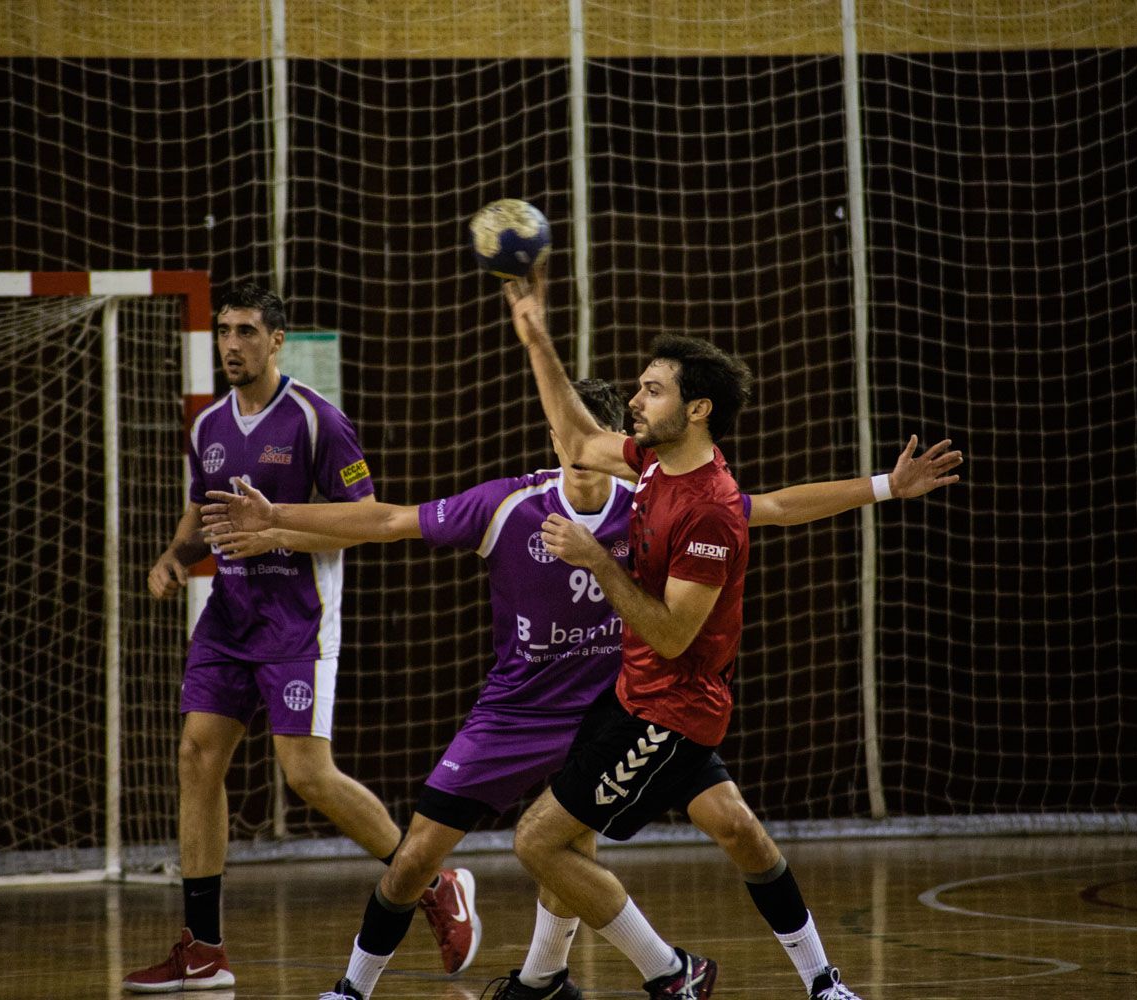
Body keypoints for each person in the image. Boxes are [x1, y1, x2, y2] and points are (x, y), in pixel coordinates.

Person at [202, 375, 959, 999]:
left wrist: (888, 485)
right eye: (570, 447)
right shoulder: (508, 505)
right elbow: (390, 520)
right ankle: (355, 989)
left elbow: (778, 507)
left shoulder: (658, 501)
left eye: (597, 450)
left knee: (718, 829)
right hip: (516, 708)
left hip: (623, 707)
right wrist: (279, 525)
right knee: (414, 859)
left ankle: (813, 982)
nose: (582, 460)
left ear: (620, 456)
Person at [500, 266, 960, 1000]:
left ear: (699, 407)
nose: (635, 397)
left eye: (653, 389)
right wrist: (534, 335)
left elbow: (673, 633)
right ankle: (823, 984)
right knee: (737, 832)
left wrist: (594, 558)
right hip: (641, 691)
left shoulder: (707, 511)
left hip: (669, 711)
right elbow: (582, 439)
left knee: (541, 840)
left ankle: (670, 975)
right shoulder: (657, 461)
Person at [120, 283, 476, 994]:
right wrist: (173, 557)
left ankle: (434, 880)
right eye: (224, 331)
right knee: (197, 758)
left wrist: (276, 527)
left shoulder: (317, 422)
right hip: (228, 616)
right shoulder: (208, 427)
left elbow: (367, 516)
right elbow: (201, 512)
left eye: (247, 331)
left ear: (276, 339)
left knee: (305, 774)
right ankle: (204, 948)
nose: (232, 344)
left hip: (297, 619)